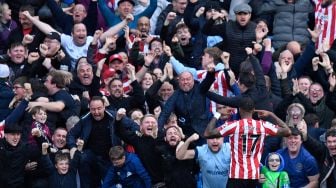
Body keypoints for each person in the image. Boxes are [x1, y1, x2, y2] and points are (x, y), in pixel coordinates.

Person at [204, 97, 291, 187]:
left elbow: (207, 133)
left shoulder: (233, 125)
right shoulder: (263, 126)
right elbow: (287, 131)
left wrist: (218, 114)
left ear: (240, 110)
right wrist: (271, 114)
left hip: (236, 175)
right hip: (253, 176)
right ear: (253, 110)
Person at [67, 96, 138, 188]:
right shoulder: (85, 119)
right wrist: (72, 146)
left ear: (104, 106)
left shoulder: (114, 116)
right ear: (89, 108)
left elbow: (133, 125)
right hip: (91, 155)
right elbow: (71, 134)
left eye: (99, 108)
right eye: (93, 109)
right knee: (83, 159)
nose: (96, 112)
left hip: (109, 156)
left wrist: (140, 134)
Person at [300, 122, 336, 187]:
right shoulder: (324, 153)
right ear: (326, 143)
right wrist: (305, 136)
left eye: (334, 141)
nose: (332, 144)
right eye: (329, 142)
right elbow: (314, 145)